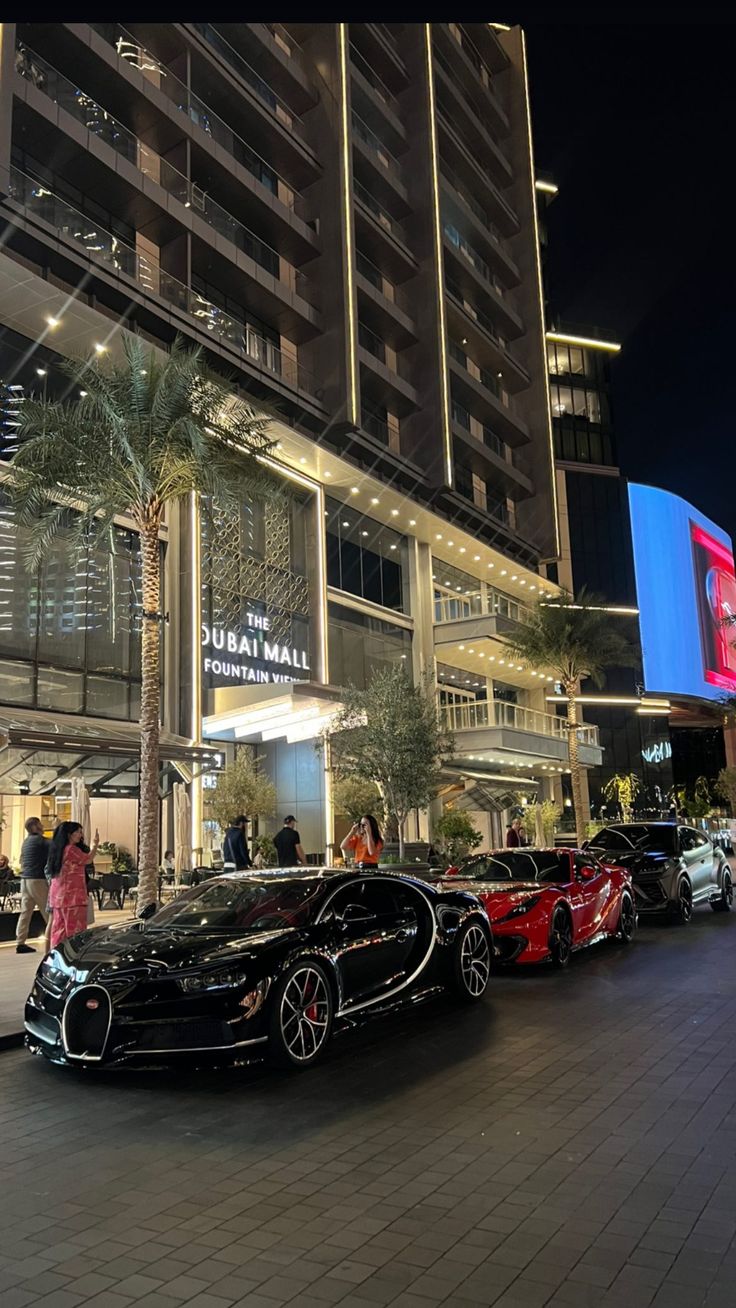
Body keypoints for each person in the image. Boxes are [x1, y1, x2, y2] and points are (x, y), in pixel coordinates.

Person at [47, 821, 99, 950]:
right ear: (70, 834)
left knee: (59, 930)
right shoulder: (71, 849)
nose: (81, 835)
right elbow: (88, 859)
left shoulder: (57, 850)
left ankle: (57, 954)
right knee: (75, 932)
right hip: (73, 896)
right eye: (78, 832)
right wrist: (96, 845)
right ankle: (74, 958)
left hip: (58, 897)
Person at [16, 816, 51, 954]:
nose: (42, 826)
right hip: (37, 880)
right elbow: (56, 846)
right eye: (40, 824)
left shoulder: (26, 842)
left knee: (25, 912)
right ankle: (55, 940)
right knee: (48, 912)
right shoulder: (41, 841)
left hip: (24, 880)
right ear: (35, 827)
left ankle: (20, 942)